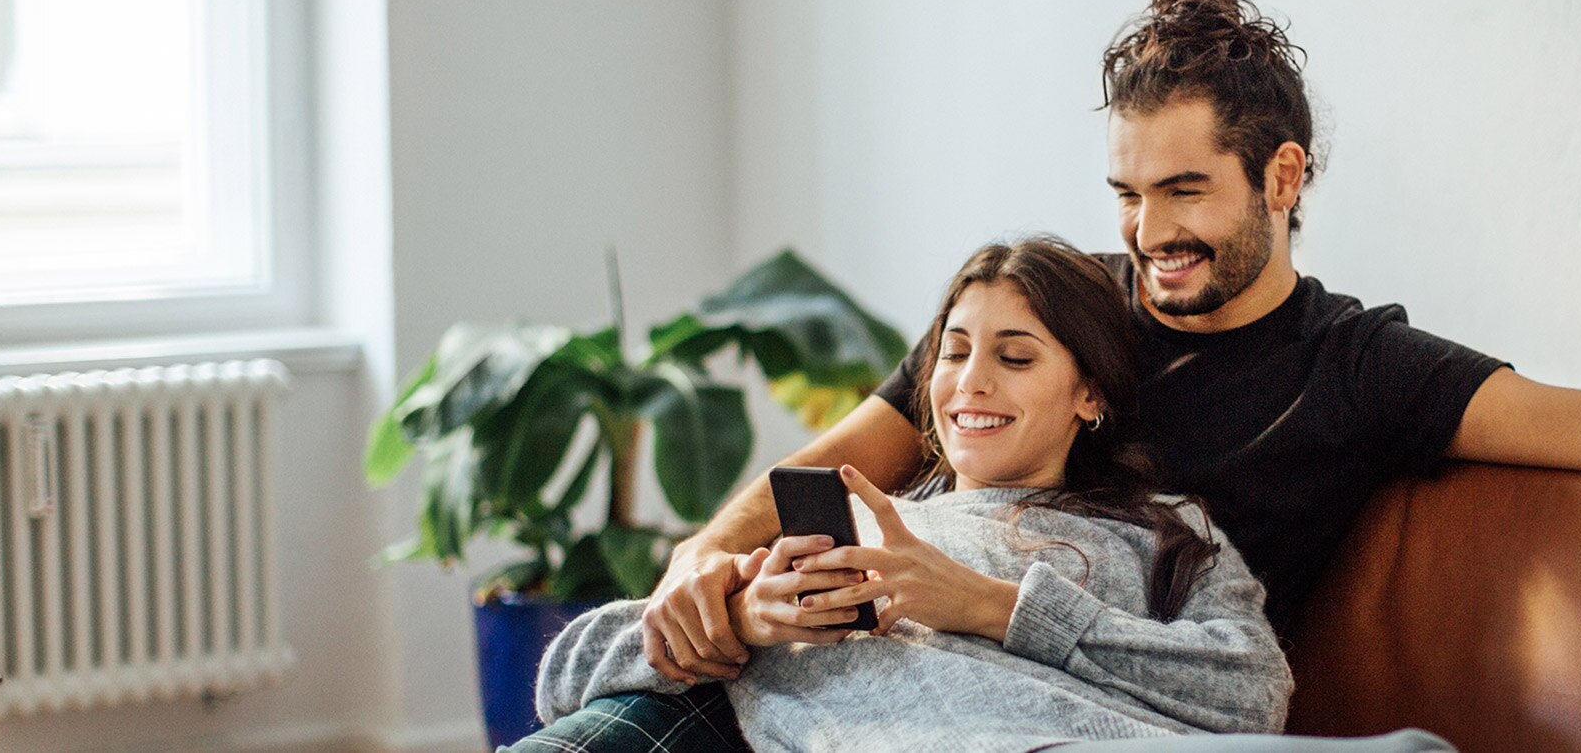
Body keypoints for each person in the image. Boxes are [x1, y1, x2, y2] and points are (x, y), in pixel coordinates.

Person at [521, 0, 1581, 752]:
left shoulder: (1354, 367)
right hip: (852, 687)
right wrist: (699, 574)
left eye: (1182, 193)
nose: (1146, 235)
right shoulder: (1044, 311)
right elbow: (832, 463)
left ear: (1282, 176)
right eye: (1123, 192)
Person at [528, 237, 1297, 751]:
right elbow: (569, 673)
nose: (971, 382)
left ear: (1088, 393)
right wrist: (735, 619)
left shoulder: (1161, 532)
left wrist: (993, 607)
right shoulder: (850, 527)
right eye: (954, 353)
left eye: (1016, 357)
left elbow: (1254, 693)